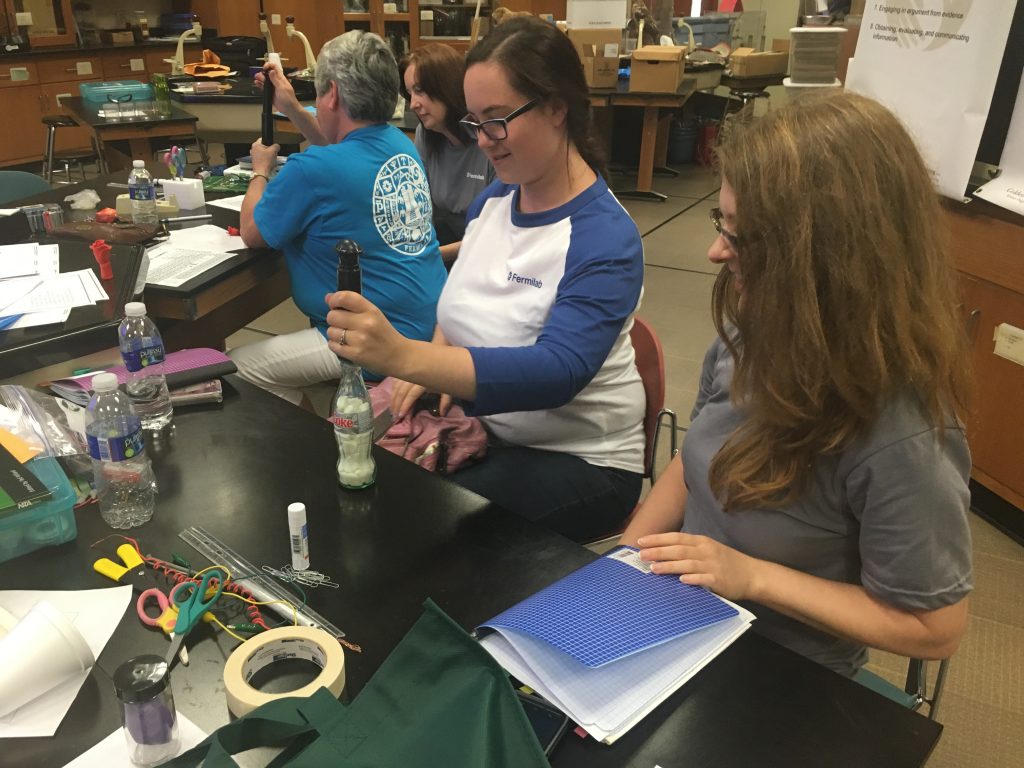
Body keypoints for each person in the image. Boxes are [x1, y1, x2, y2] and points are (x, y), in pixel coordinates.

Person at [621, 92, 973, 677]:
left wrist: (752, 576)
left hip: (782, 671)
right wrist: (626, 557)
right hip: (679, 622)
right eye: (721, 223)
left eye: (740, 236)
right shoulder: (752, 334)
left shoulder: (904, 433)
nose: (714, 251)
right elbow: (694, 460)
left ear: (823, 260)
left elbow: (934, 630)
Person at [323, 17, 646, 542]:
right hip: (492, 431)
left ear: (557, 108)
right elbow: (461, 304)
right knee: (363, 479)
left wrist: (408, 357)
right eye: (474, 122)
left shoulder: (604, 237)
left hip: (581, 460)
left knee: (431, 528)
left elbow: (557, 373)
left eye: (497, 119)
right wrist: (432, 365)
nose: (483, 140)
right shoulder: (495, 200)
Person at [234, 31, 447, 406]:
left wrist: (260, 170)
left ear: (331, 94)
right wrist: (292, 107)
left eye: (318, 95)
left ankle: (306, 444)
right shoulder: (400, 143)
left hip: (377, 335)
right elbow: (340, 145)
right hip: (427, 319)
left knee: (239, 369)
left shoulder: (311, 169)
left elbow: (252, 232)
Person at [399, 44, 495, 265]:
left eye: (420, 90)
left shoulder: (489, 139)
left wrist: (428, 257)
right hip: (448, 253)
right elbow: (419, 208)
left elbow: (495, 233)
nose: (413, 104)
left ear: (446, 86)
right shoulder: (427, 134)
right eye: (410, 93)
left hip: (489, 258)